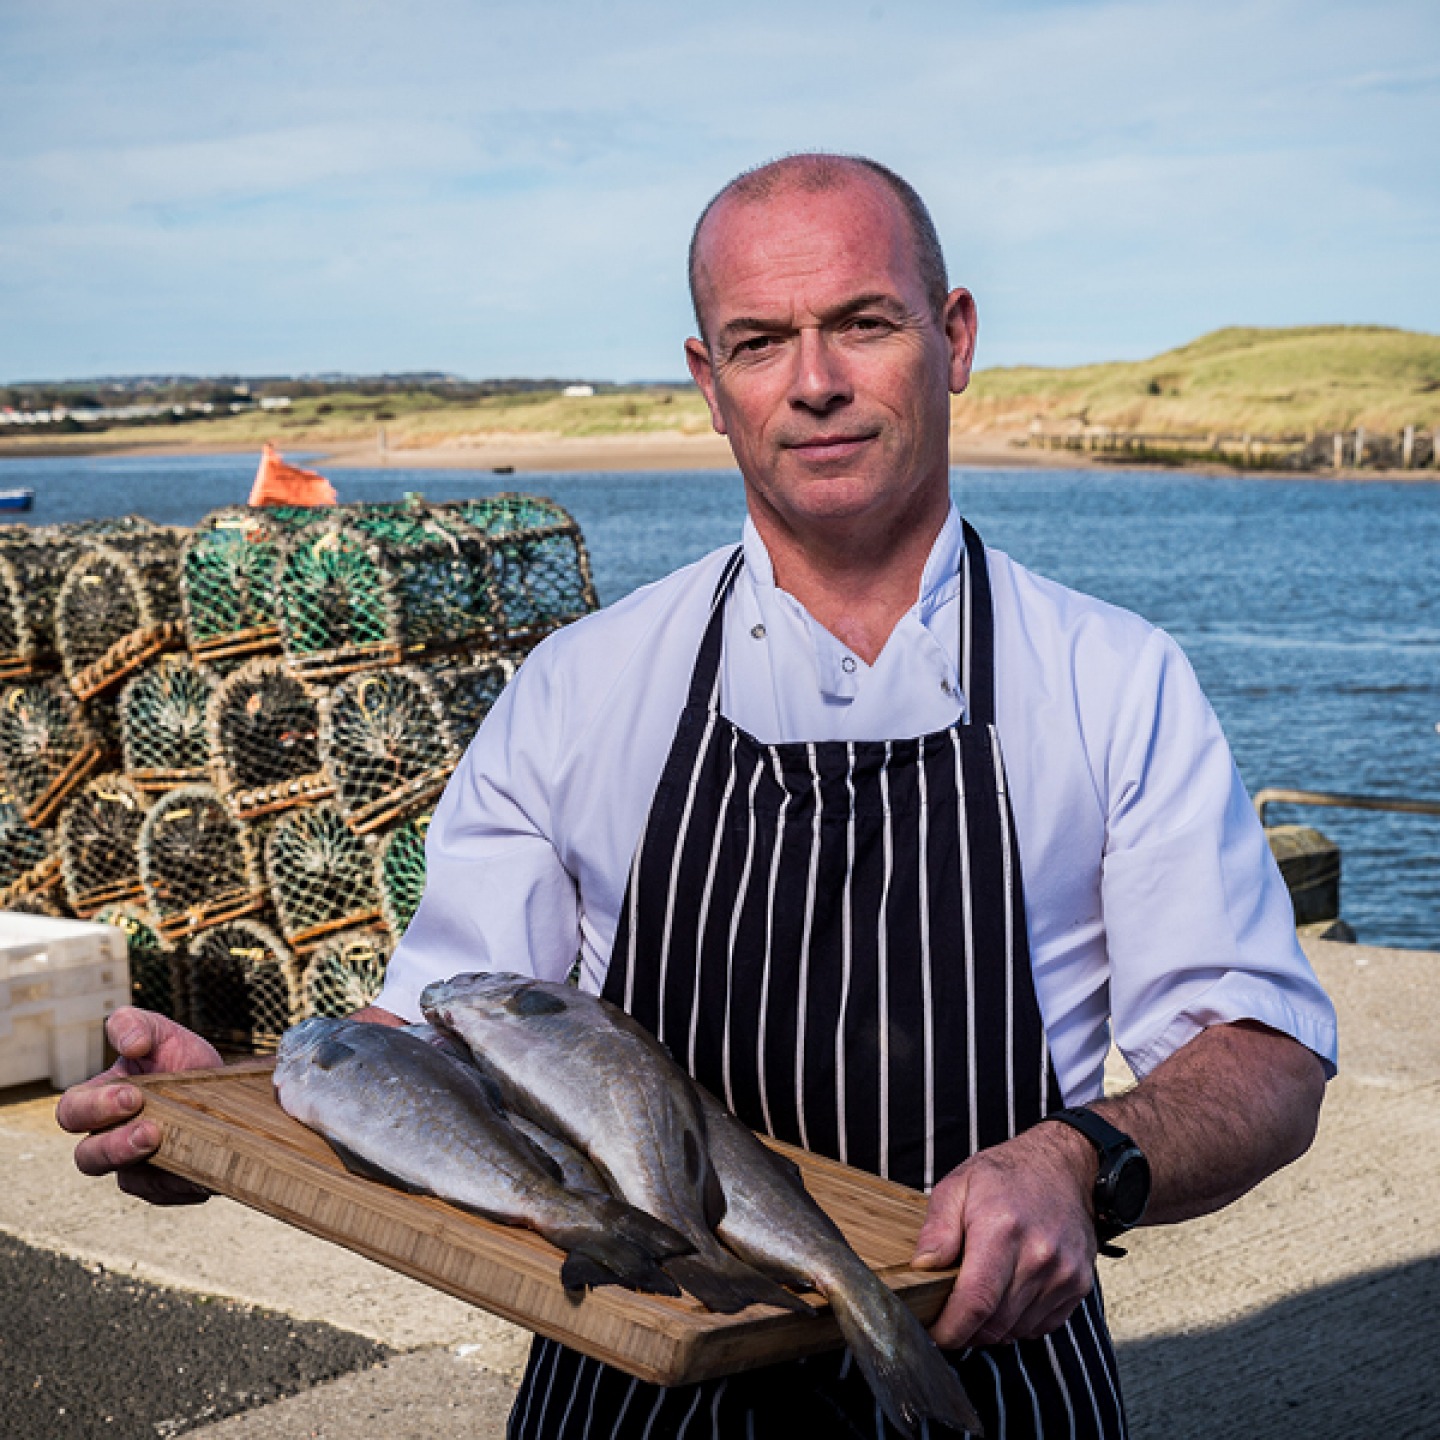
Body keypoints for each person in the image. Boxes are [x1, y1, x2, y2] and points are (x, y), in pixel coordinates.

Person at [59, 153, 1336, 1438]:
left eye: (863, 322)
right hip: (633, 1380)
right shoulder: (583, 685)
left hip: (987, 1375)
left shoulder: (1114, 679)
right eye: (760, 340)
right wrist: (222, 1113)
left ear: (952, 341)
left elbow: (1263, 1055)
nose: (815, 380)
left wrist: (1083, 1159)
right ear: (708, 383)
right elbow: (435, 1048)